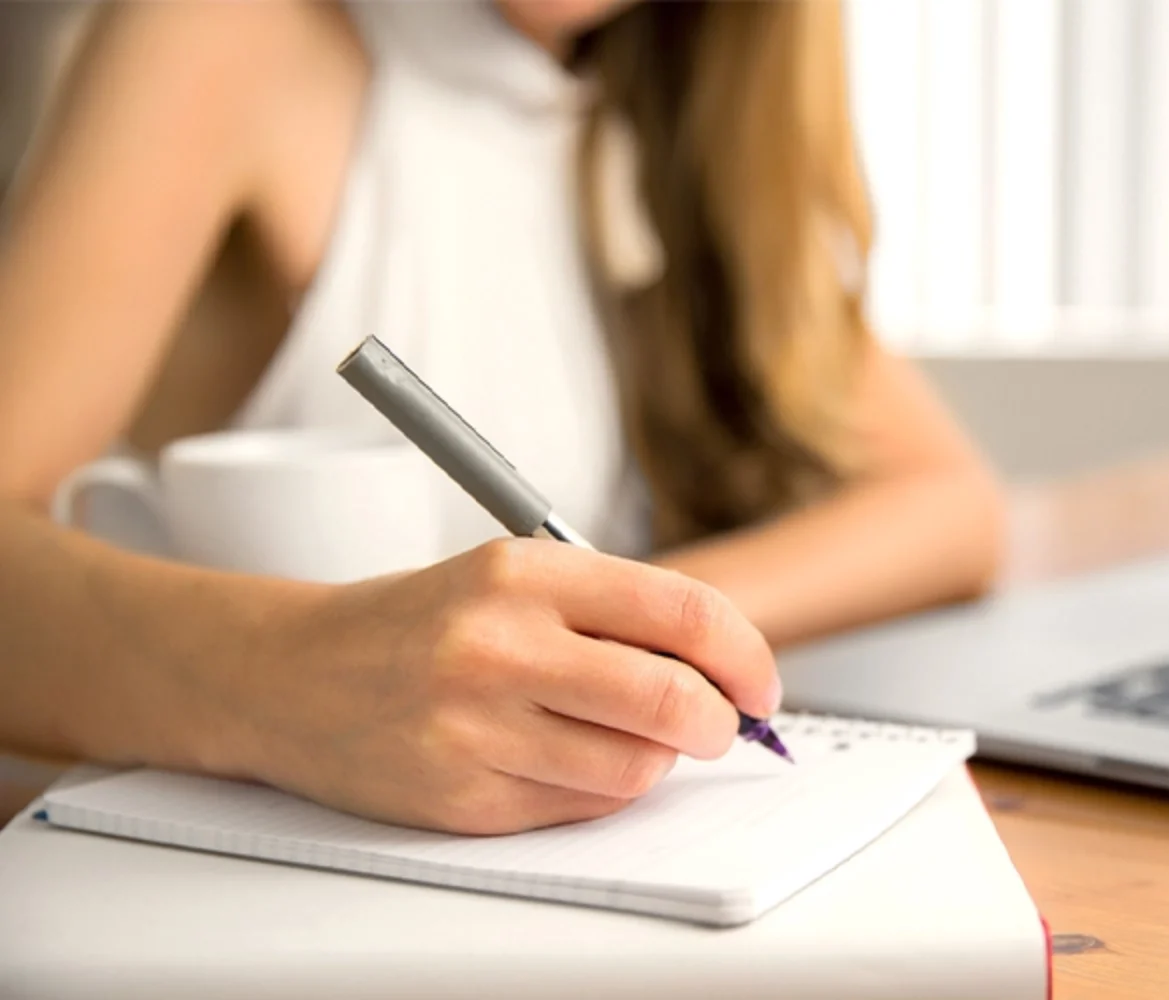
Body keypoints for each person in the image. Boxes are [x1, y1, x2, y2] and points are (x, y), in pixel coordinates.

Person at [0, 0, 1002, 835]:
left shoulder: (659, 108)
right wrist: (296, 676)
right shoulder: (226, 32)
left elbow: (952, 505)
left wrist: (635, 626)